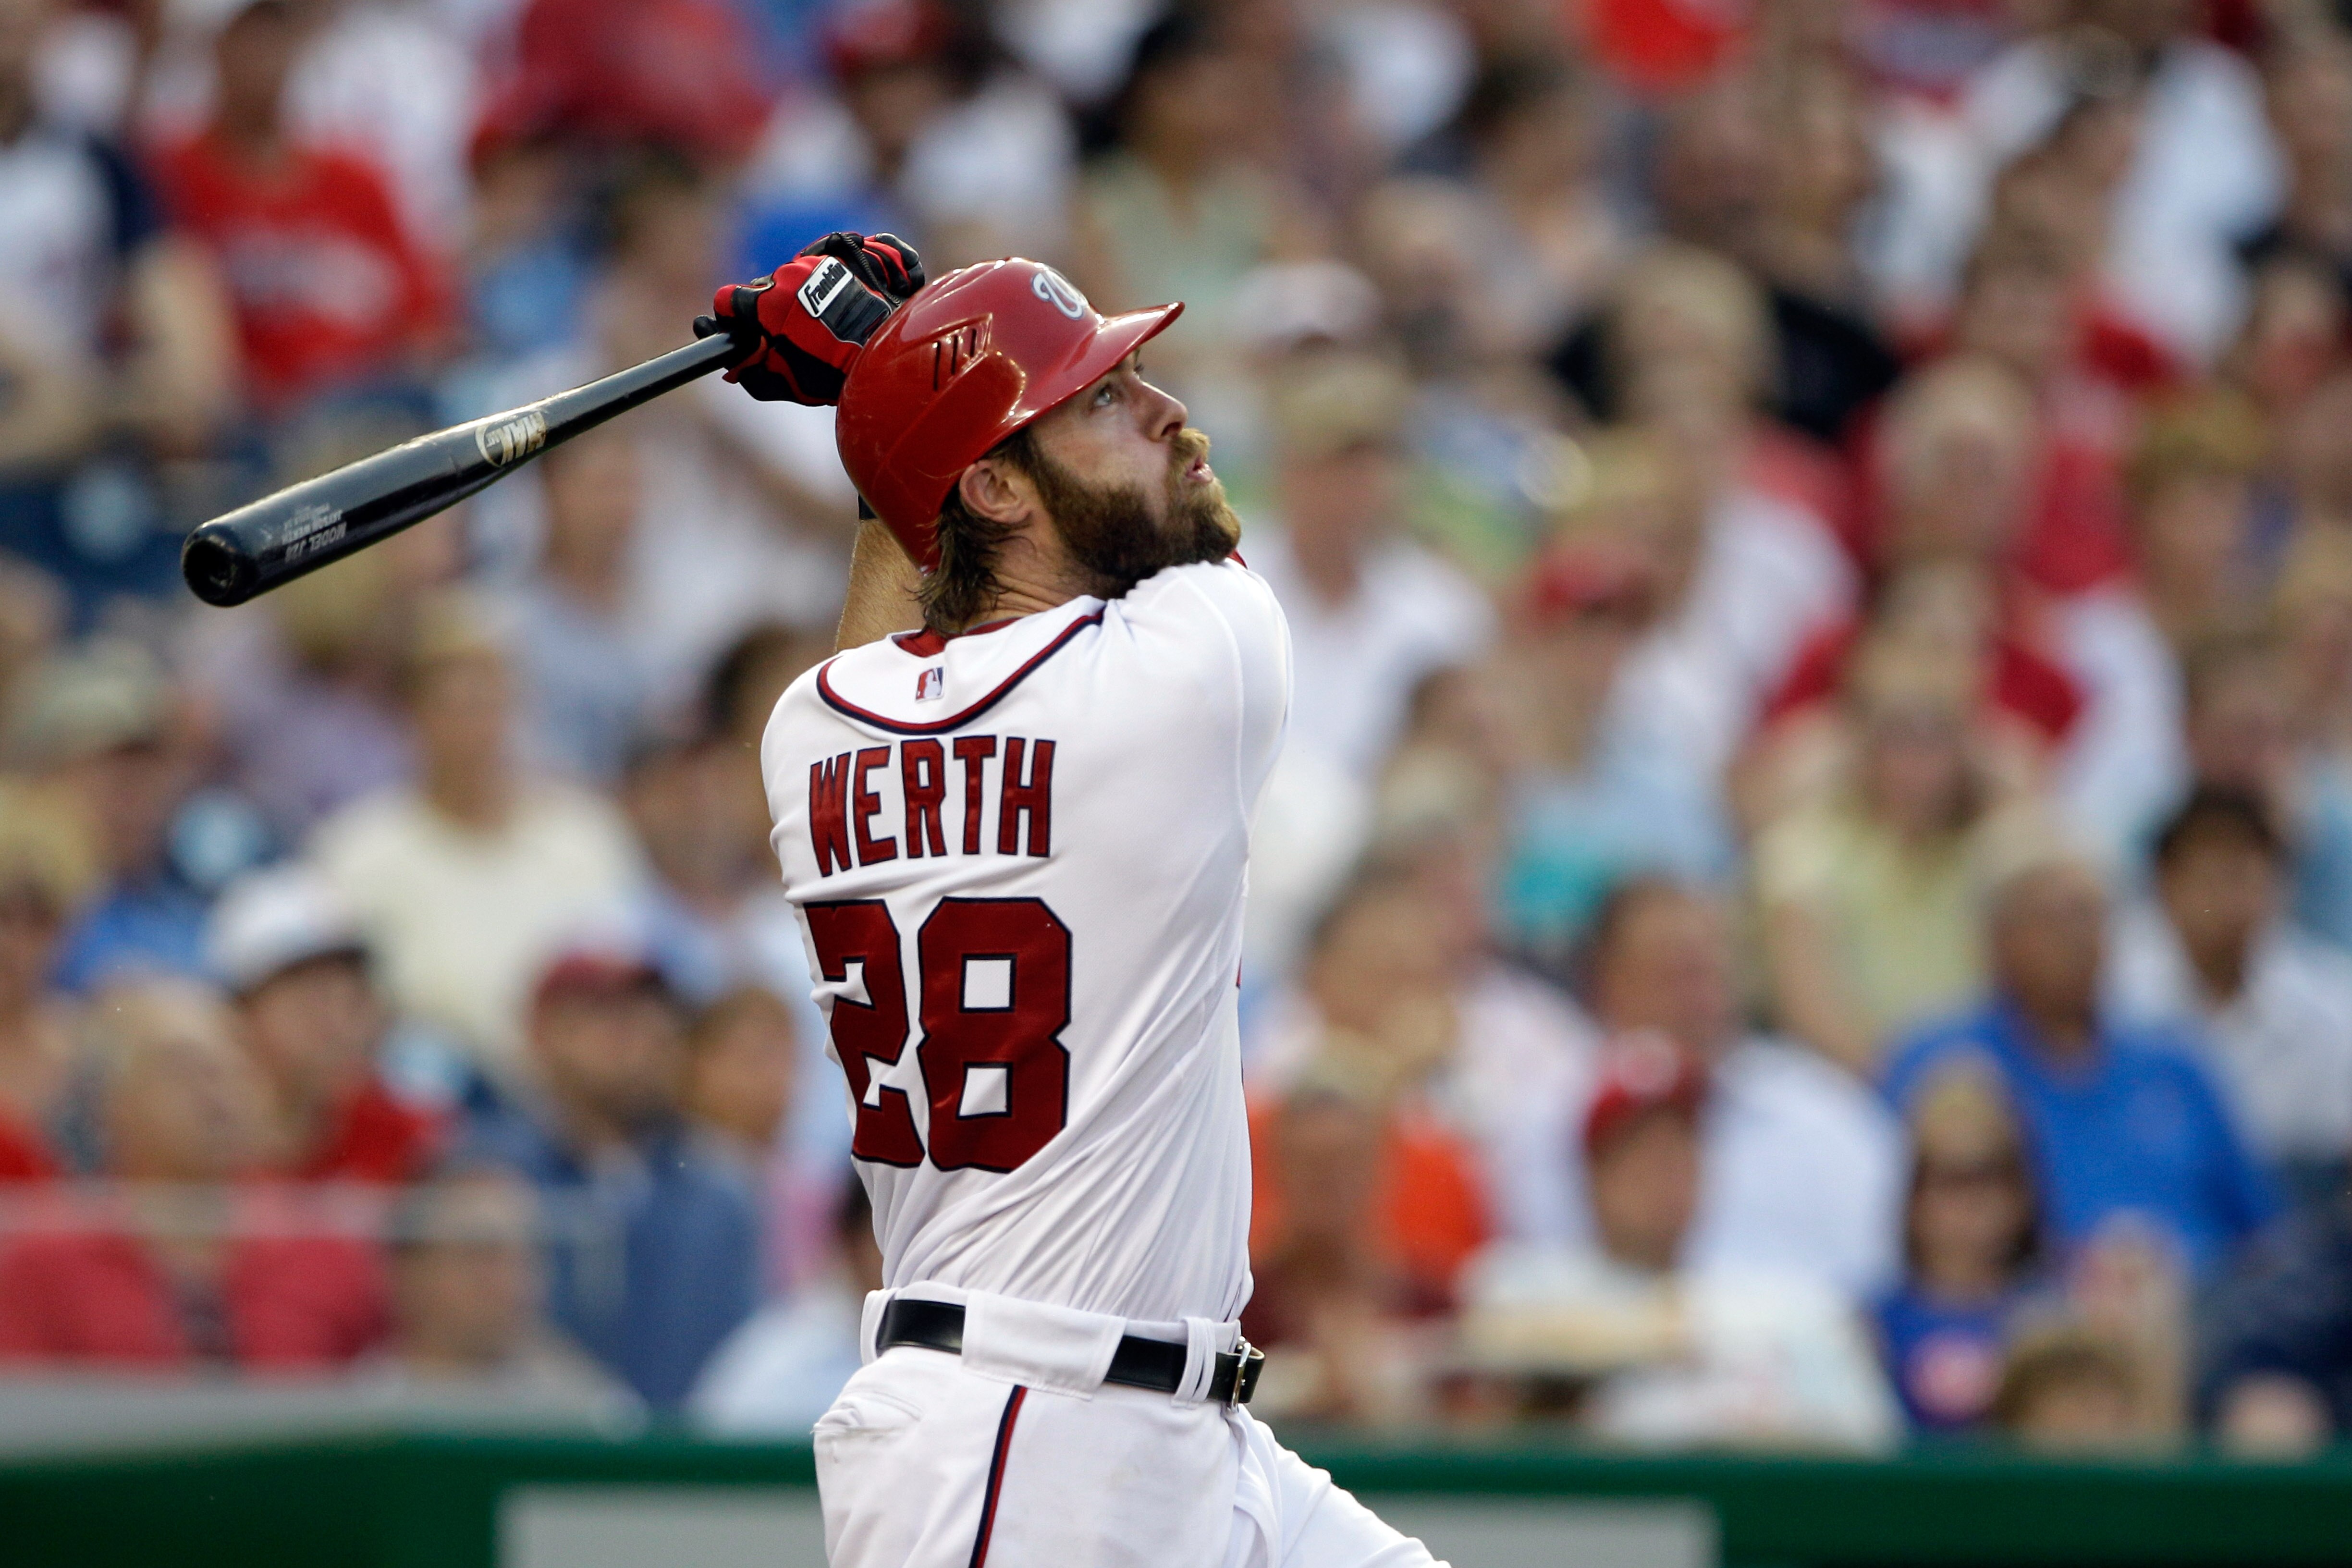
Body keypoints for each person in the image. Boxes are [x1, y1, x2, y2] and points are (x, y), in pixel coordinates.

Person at [706, 235, 1446, 1563]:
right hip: (1029, 1441)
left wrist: (885, 407)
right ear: (992, 483)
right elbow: (1181, 527)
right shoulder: (1194, 669)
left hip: (1135, 1429)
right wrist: (882, 373)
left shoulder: (810, 729)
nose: (1170, 414)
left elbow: (906, 606)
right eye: (1103, 398)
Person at [1462, 1034, 1899, 1451]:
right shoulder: (1520, 1293)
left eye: (1679, 1148)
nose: (1663, 1172)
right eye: (1638, 1151)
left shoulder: (1790, 1312)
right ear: (1594, 1174)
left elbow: (1868, 1442)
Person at [1883, 833, 2279, 1278]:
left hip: (2206, 1312)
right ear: (1996, 940)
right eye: (2050, 919)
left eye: (2090, 916)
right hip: (2027, 1319)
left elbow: (2263, 1232)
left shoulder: (2177, 1064)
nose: (2076, 937)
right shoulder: (1938, 1062)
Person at [310, 591, 641, 1078]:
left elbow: (624, 980)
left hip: (578, 1097)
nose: (474, 725)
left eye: (489, 700)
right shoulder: (357, 854)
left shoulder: (585, 834)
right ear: (412, 716)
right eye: (452, 705)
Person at [0, 978, 385, 1368]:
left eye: (234, 1068)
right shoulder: (43, 1260)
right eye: (184, 1070)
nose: (218, 1092)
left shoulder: (325, 1249)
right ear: (110, 1103)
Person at [1571, 877, 1905, 1297]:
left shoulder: (1825, 1116)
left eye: (1709, 970)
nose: (1698, 998)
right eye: (1673, 973)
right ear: (1606, 984)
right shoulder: (1554, 1117)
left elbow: (1881, 1282)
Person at [464, 944, 758, 1409]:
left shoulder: (719, 1192)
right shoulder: (485, 1174)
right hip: (525, 1448)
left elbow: (741, 1365)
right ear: (541, 1034)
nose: (635, 1037)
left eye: (652, 1017)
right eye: (604, 1016)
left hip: (685, 1463)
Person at [1241, 352, 1495, 781]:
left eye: (1373, 463)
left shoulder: (1442, 607)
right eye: (1334, 463)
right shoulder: (1219, 580)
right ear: (1287, 468)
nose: (1356, 484)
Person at [2109, 789, 2352, 1202]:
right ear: (2164, 885)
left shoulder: (2335, 1004)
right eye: (2206, 876)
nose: (2223, 900)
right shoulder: (2117, 1002)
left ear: (2280, 885)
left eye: (2240, 875)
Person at [208, 864, 446, 1183]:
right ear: (239, 1013)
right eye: (309, 999)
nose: (335, 1022)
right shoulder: (196, 1143)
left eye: (347, 997)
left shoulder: (406, 1133)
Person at [355, 1164, 637, 1422]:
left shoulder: (589, 1416)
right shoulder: (353, 1419)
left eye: (528, 1256)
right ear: (409, 1272)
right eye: (482, 1255)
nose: (512, 1280)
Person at [1871, 1065, 2049, 1433]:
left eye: (1989, 1176)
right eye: (1949, 1179)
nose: (1970, 1202)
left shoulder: (2051, 1321)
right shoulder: (1869, 1328)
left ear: (2023, 1194)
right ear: (1912, 1196)